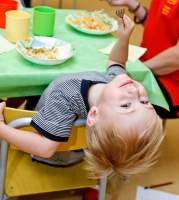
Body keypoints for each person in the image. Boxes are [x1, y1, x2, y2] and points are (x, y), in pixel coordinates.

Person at [0, 14, 164, 179]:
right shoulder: (115, 84)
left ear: (93, 114)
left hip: (56, 156)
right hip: (78, 151)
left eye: (126, 106)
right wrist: (123, 39)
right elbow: (116, 62)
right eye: (144, 101)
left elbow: (45, 148)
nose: (134, 92)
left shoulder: (65, 98)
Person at [108, 0, 179, 119]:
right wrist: (131, 4)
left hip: (172, 83)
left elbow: (177, 57)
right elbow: (158, 25)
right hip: (147, 62)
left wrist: (137, 69)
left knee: (111, 94)